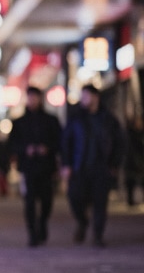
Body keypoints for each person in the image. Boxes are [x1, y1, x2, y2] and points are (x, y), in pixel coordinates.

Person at [61, 84, 124, 247]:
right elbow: (66, 142)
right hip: (79, 167)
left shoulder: (108, 119)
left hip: (101, 168)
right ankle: (82, 222)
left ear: (95, 97)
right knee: (75, 198)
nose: (84, 100)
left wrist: (114, 164)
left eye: (86, 96)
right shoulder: (76, 119)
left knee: (100, 203)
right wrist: (66, 164)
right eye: (82, 96)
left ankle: (98, 235)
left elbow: (119, 142)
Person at [7, 86, 62, 247]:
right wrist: (26, 149)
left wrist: (48, 149)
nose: (33, 100)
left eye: (35, 97)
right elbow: (12, 145)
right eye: (30, 97)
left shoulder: (51, 120)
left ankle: (43, 223)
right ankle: (32, 234)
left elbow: (59, 141)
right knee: (29, 202)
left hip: (46, 167)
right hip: (28, 167)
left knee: (47, 200)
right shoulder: (20, 122)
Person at [124, 115, 144, 206]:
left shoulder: (140, 135)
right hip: (132, 162)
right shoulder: (130, 135)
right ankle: (130, 200)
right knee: (130, 181)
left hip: (139, 161)